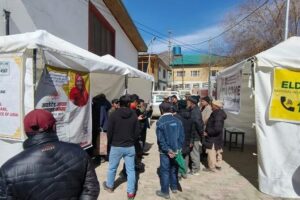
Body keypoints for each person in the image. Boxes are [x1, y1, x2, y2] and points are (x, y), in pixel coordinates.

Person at [0, 109, 100, 199]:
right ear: (54, 127)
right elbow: (91, 189)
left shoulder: (7, 170)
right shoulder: (79, 152)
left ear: (26, 132)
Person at [103, 95, 139, 200]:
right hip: (129, 146)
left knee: (112, 168)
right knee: (131, 170)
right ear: (129, 103)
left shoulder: (114, 114)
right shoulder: (133, 114)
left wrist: (110, 143)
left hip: (116, 145)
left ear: (119, 103)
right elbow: (137, 132)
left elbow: (109, 132)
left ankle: (109, 186)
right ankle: (131, 193)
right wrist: (132, 140)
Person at [156, 103, 184, 199]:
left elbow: (161, 139)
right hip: (176, 150)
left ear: (161, 110)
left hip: (165, 152)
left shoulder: (160, 122)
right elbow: (182, 137)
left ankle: (165, 191)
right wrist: (177, 149)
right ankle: (174, 187)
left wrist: (168, 150)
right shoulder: (178, 121)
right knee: (173, 169)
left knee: (165, 171)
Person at [203, 100, 227, 172]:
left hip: (213, 137)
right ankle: (218, 165)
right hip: (217, 137)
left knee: (211, 153)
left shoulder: (217, 115)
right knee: (218, 151)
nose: (211, 106)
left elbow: (217, 128)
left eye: (212, 105)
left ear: (215, 106)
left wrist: (208, 133)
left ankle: (212, 167)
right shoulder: (218, 113)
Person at [174, 101, 193, 179]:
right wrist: (191, 141)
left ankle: (178, 174)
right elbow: (193, 130)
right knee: (186, 156)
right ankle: (184, 173)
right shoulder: (191, 117)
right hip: (188, 139)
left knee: (179, 156)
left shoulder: (177, 117)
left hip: (179, 139)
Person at [187, 96, 204, 175]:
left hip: (195, 135)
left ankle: (196, 170)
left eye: (188, 101)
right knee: (193, 152)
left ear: (192, 103)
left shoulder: (195, 111)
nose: (187, 102)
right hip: (193, 135)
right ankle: (194, 168)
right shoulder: (193, 110)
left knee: (195, 153)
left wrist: (201, 133)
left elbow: (198, 123)